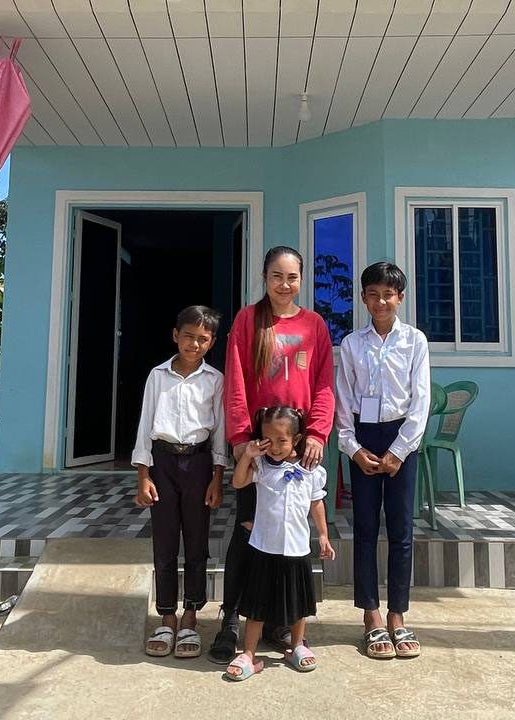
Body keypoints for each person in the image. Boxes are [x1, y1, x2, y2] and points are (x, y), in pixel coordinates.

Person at [208, 246, 336, 664]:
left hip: (297, 451)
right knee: (250, 531)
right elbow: (237, 384)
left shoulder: (314, 325)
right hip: (258, 449)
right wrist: (243, 439)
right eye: (277, 276)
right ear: (264, 277)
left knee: (290, 538)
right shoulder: (248, 320)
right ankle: (231, 617)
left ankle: (282, 620)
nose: (285, 285)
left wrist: (316, 433)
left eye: (293, 277)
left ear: (301, 280)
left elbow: (323, 385)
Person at [335, 262, 430, 660]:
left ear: (400, 297)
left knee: (401, 529)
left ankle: (397, 613)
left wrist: (399, 450)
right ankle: (371, 613)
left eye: (388, 294)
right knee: (365, 527)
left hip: (400, 439)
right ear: (363, 298)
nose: (380, 301)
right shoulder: (352, 344)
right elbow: (343, 399)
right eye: (372, 294)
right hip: (364, 437)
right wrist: (352, 447)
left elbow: (421, 400)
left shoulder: (415, 341)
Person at [133, 305, 228, 659]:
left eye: (203, 339)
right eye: (188, 336)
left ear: (212, 342)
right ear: (176, 335)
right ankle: (168, 616)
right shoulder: (158, 376)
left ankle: (191, 614)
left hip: (200, 463)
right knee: (165, 541)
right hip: (163, 461)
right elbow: (145, 425)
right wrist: (143, 475)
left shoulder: (214, 380)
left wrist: (217, 477)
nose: (194, 344)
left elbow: (219, 432)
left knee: (197, 540)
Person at [224, 406, 335, 681]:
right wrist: (247, 456)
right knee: (256, 604)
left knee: (298, 603)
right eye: (268, 440)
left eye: (282, 440)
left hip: (297, 548)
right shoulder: (260, 466)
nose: (274, 447)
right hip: (264, 547)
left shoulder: (311, 471)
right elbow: (238, 483)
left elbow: (316, 503)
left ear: (296, 439)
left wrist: (322, 534)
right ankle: (249, 653)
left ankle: (297, 644)